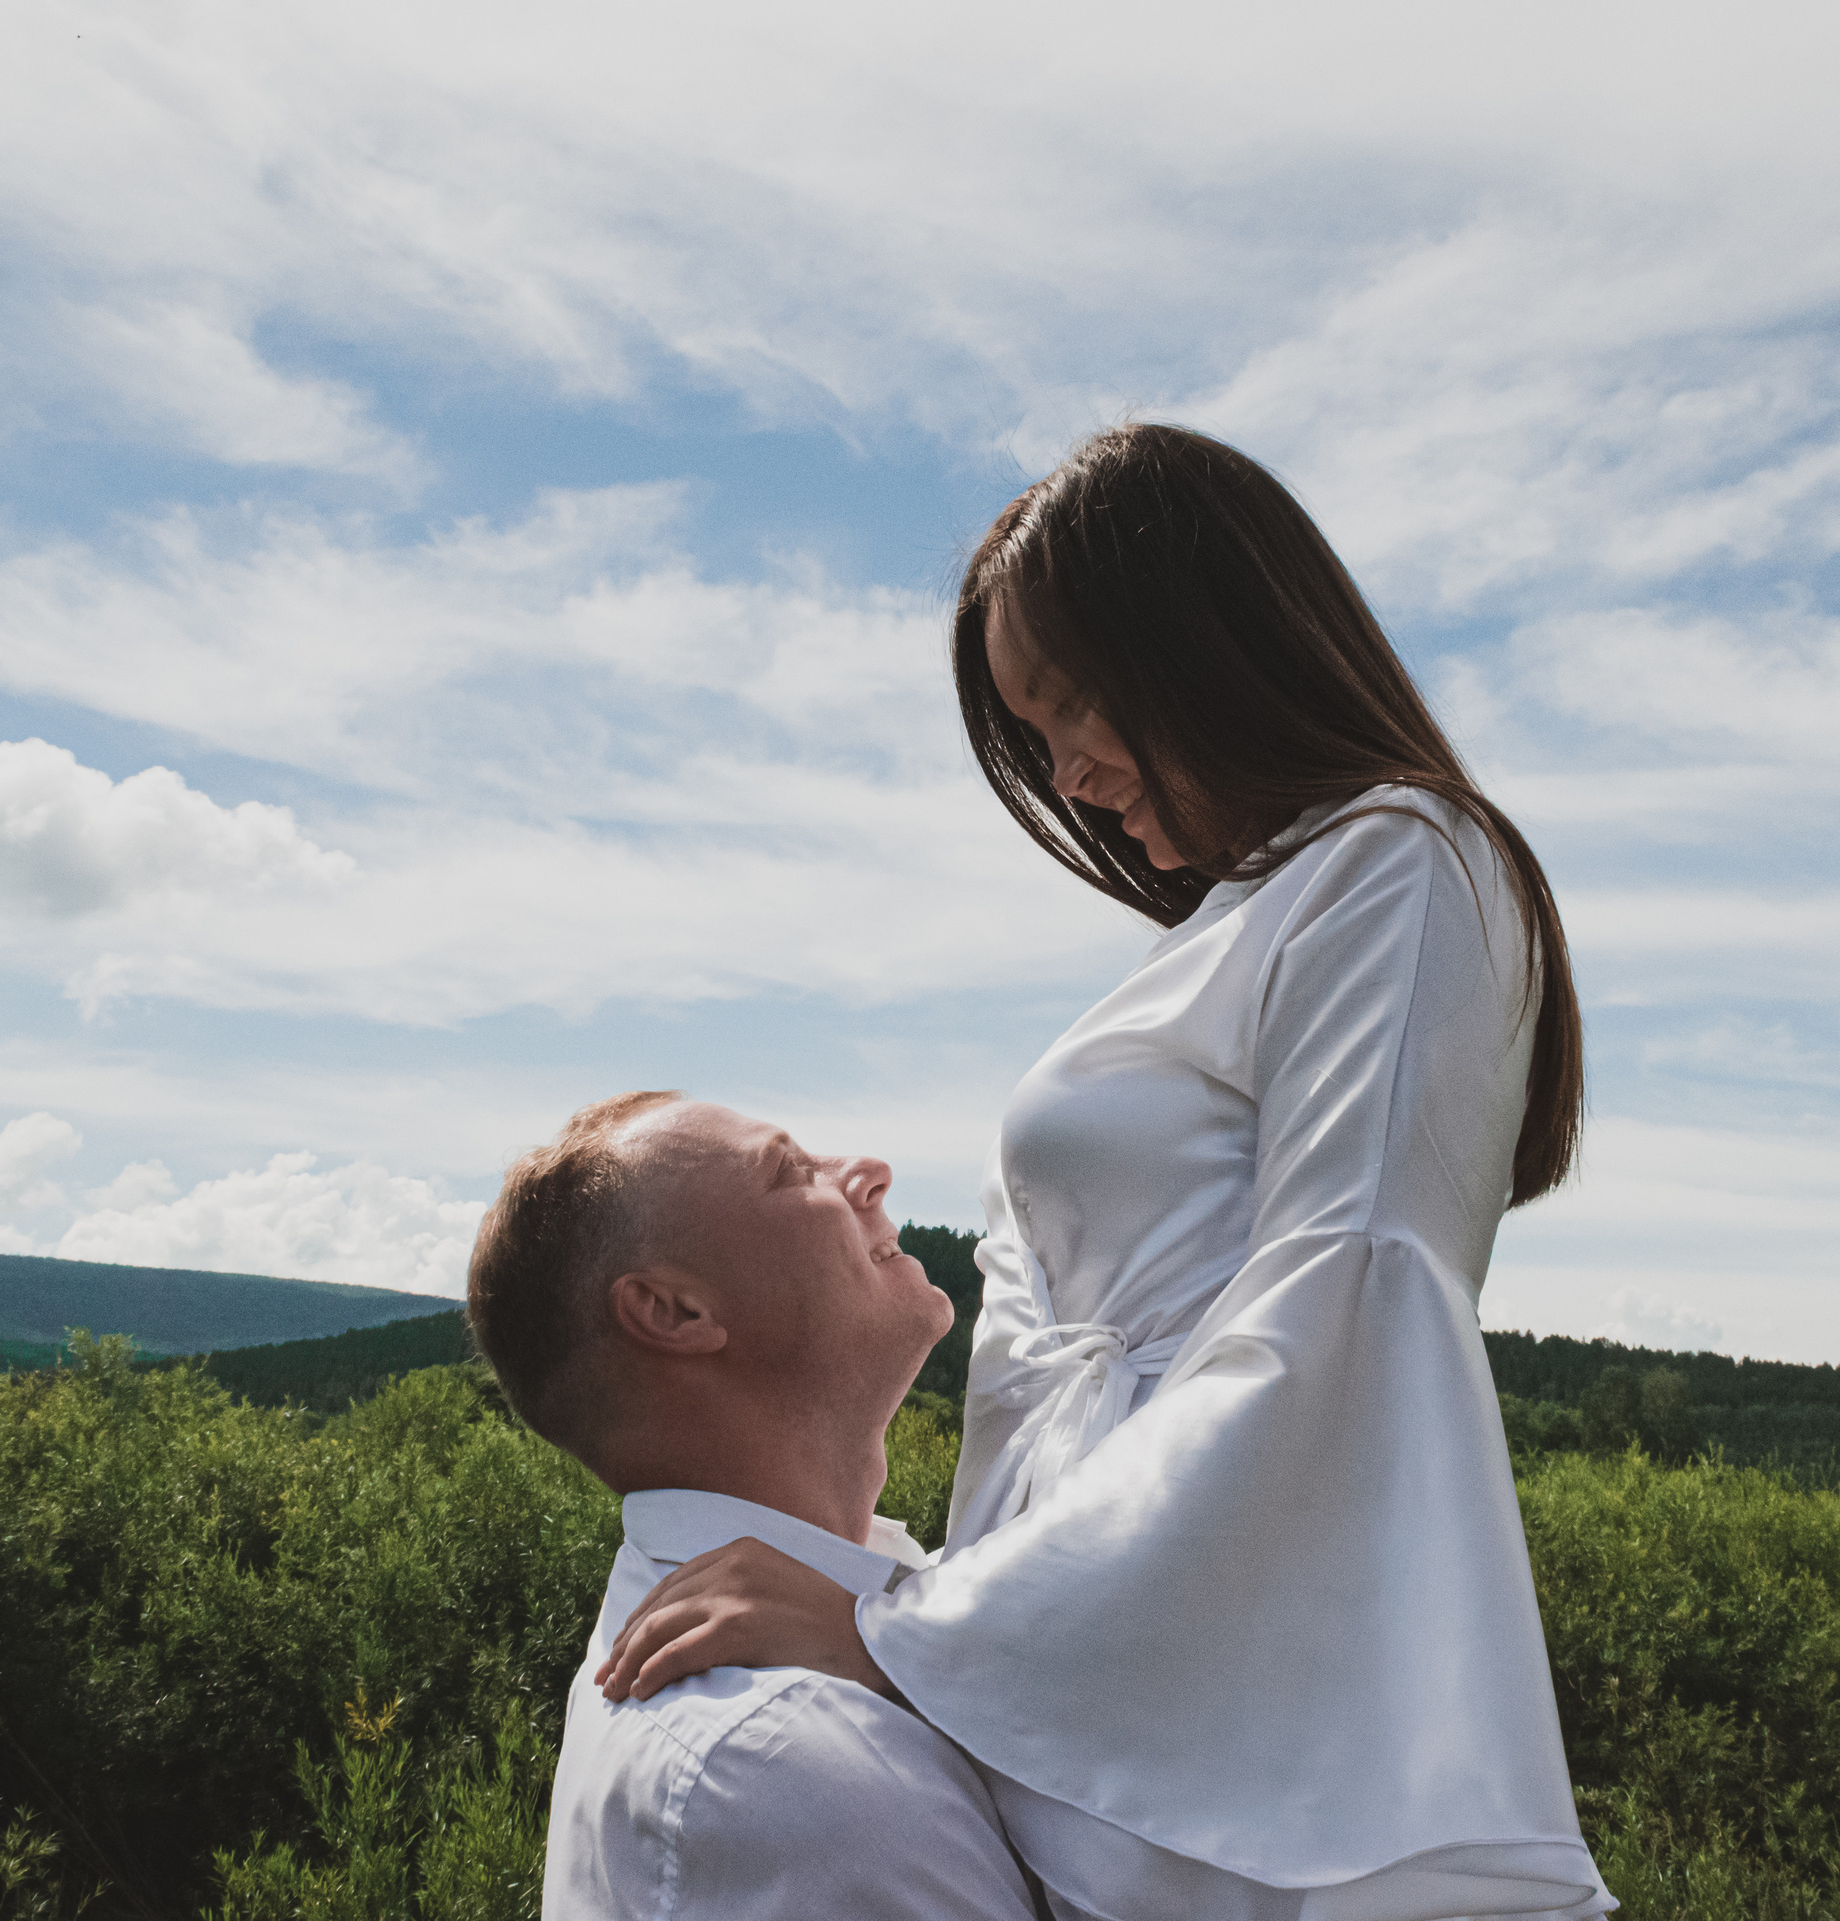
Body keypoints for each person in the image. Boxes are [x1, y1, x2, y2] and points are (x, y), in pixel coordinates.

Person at [599, 424, 1617, 1921]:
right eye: (1037, 726)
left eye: (1073, 702)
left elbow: (1344, 1318)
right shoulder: (1245, 917)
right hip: (1097, 1742)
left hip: (1250, 1801)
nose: (1068, 773)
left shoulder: (1399, 861)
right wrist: (940, 1623)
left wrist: (900, 1627)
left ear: (1210, 639)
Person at [466, 1090, 1045, 1921]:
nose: (870, 1173)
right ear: (674, 1312)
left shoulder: (879, 1610)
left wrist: (889, 1637)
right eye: (793, 1171)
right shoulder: (784, 1768)